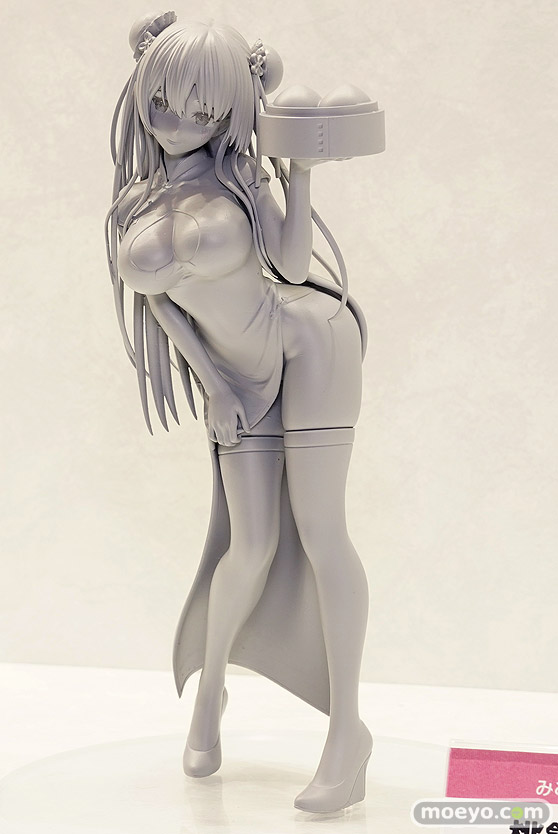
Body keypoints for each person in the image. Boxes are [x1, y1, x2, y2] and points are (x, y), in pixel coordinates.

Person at [106, 11, 372, 814]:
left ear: (231, 110)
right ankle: (210, 689)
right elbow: (162, 307)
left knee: (321, 530)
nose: (177, 122)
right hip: (237, 378)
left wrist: (300, 175)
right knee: (248, 546)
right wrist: (214, 386)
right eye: (163, 102)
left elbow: (288, 265)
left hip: (309, 346)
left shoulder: (244, 179)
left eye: (204, 109)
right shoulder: (134, 200)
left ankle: (348, 734)